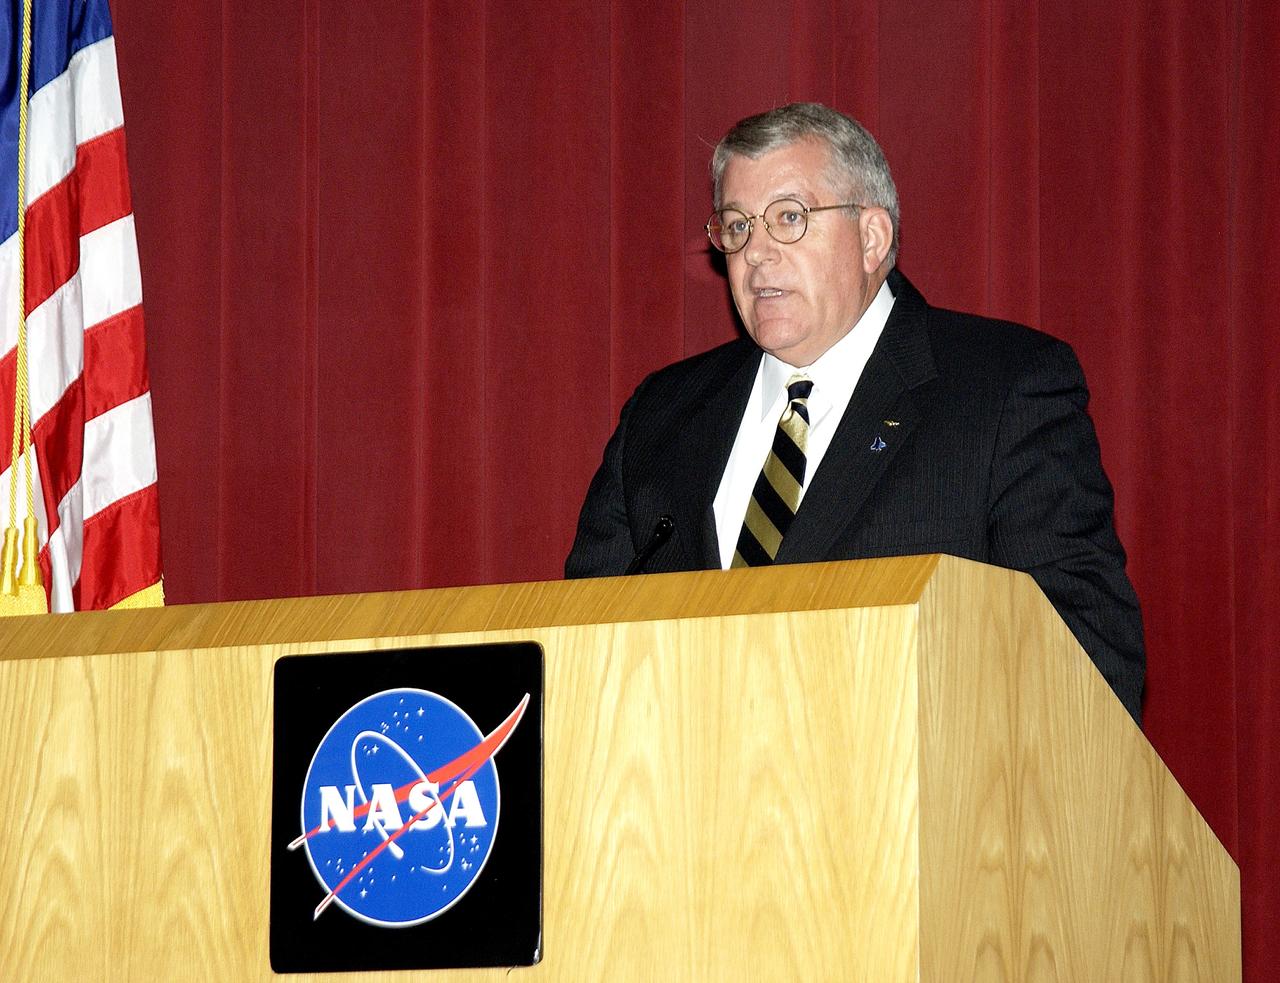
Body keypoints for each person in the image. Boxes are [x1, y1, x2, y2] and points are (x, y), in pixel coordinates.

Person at [565, 102, 1144, 723]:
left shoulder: (1002, 389)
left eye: (789, 218)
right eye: (737, 226)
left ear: (871, 237)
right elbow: (576, 660)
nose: (756, 253)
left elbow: (1085, 665)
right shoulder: (662, 415)